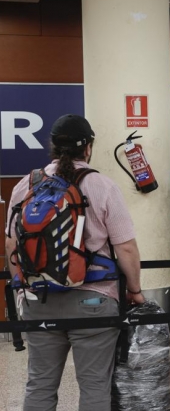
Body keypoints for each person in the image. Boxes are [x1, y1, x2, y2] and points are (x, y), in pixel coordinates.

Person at [4, 114, 144, 410]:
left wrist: (22, 289)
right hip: (94, 301)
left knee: (39, 383)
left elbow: (11, 244)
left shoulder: (25, 185)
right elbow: (127, 249)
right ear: (88, 148)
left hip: (38, 298)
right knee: (94, 386)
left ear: (52, 146)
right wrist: (135, 290)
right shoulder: (102, 186)